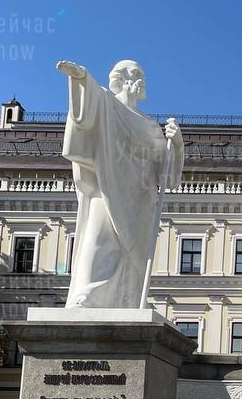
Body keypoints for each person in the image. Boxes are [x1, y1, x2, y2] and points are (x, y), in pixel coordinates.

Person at [55, 59, 184, 308]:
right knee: (99, 237)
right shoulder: (107, 105)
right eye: (136, 74)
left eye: (142, 75)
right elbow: (87, 106)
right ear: (119, 79)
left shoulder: (150, 127)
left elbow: (166, 176)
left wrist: (176, 144)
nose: (141, 80)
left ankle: (129, 299)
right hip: (108, 186)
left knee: (130, 253)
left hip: (141, 198)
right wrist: (81, 78)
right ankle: (87, 295)